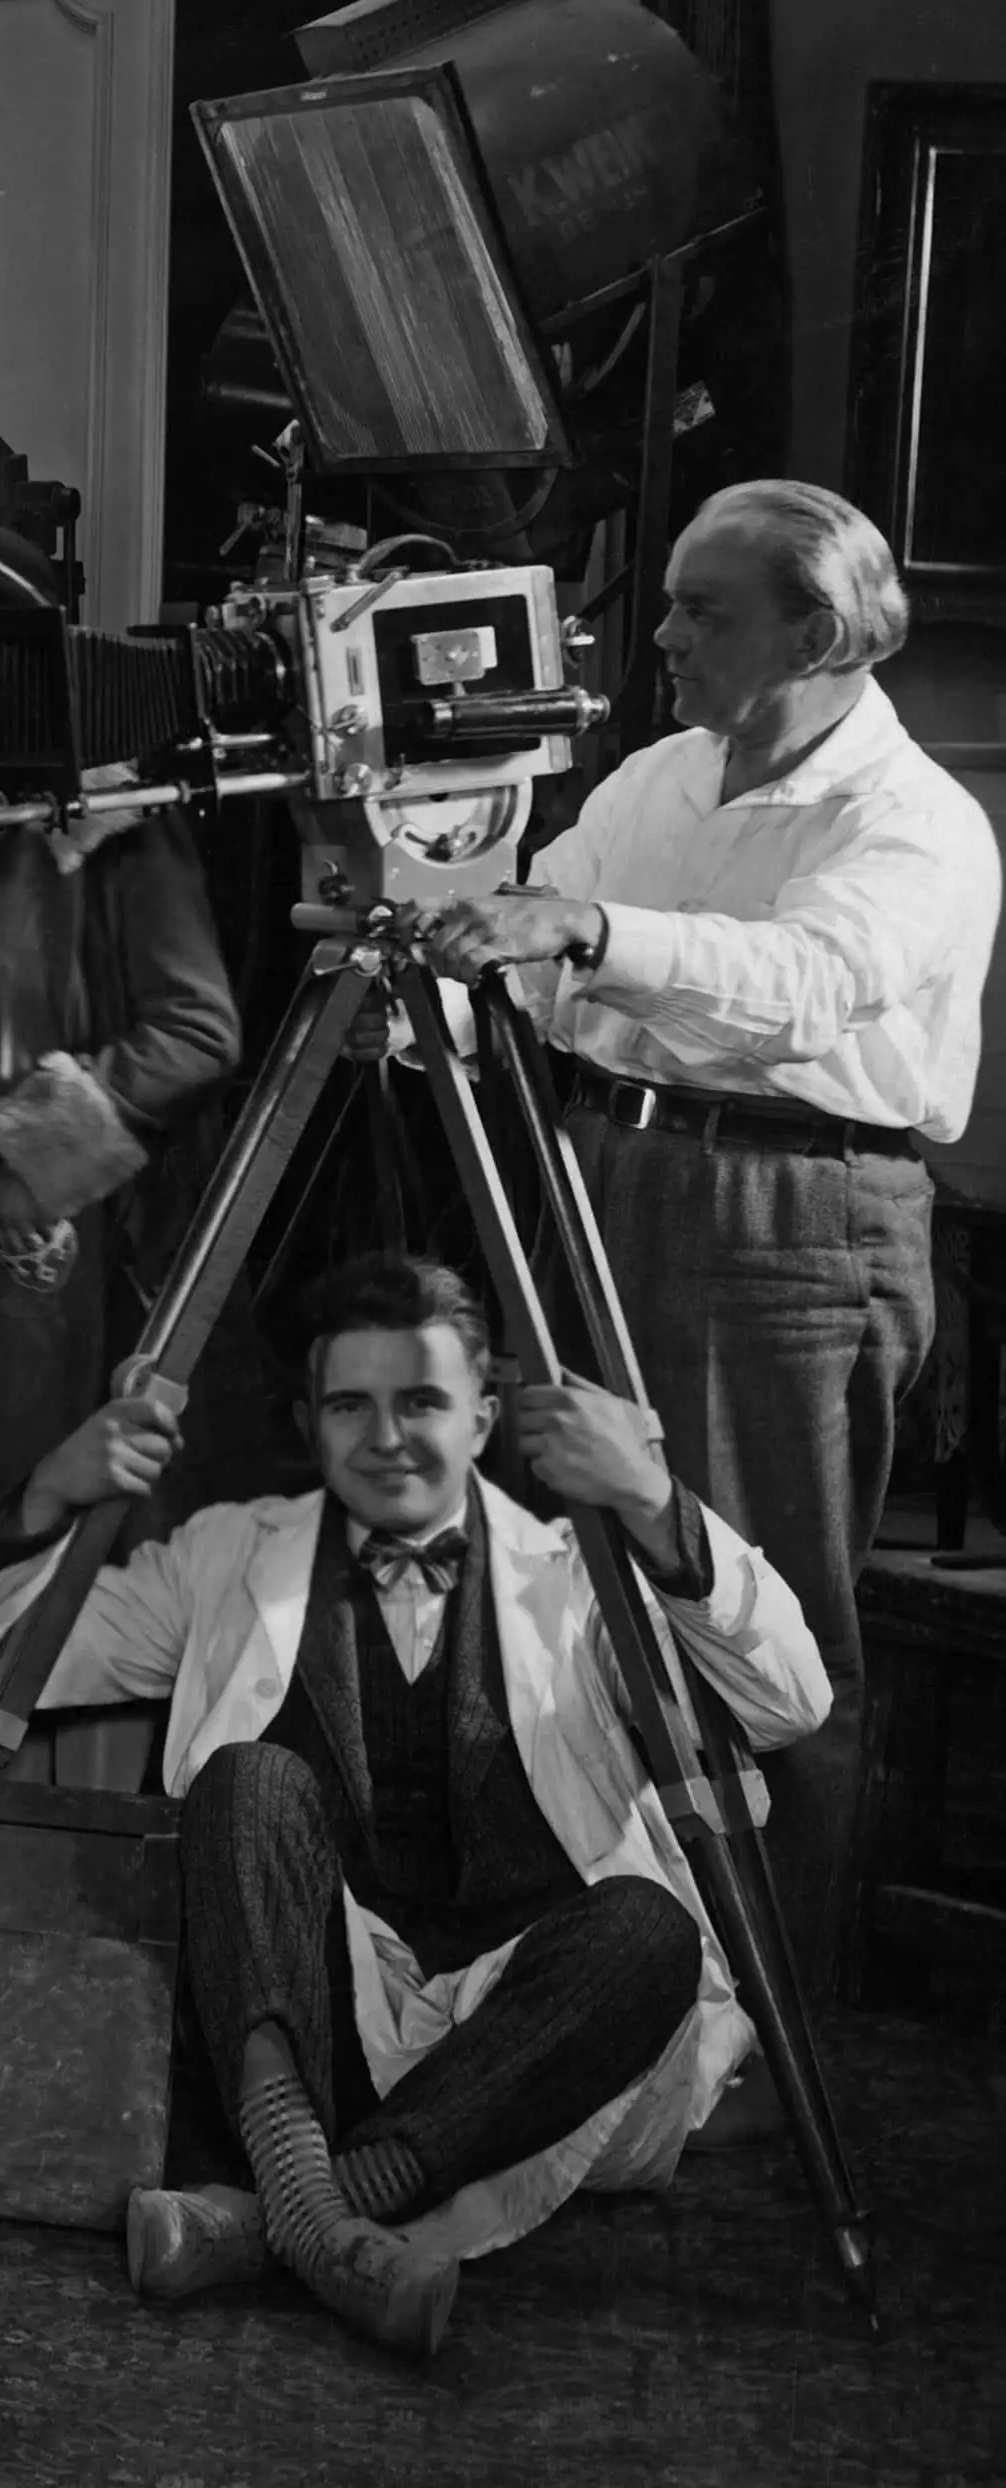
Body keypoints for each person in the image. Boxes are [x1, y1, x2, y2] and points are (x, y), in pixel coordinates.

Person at [0, 1253, 831, 2358]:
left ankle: (283, 2219)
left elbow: (789, 1700)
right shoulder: (227, 1554)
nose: (386, 1437)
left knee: (647, 1932)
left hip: (514, 2054)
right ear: (310, 1420)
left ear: (488, 1415)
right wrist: (50, 1494)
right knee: (244, 1783)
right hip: (306, 2039)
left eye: (422, 1403)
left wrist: (647, 1494)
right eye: (351, 1405)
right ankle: (328, 2210)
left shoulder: (575, 1566)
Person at [422, 480, 999, 1999]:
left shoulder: (918, 824)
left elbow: (809, 981)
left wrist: (585, 937)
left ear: (815, 632)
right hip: (607, 1166)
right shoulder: (662, 778)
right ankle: (574, 1977)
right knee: (560, 1564)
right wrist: (446, 981)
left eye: (703, 608)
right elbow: (545, 968)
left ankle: (764, 2015)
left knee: (760, 1606)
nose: (661, 632)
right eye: (669, 598)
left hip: (796, 1218)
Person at [0, 523, 241, 1767]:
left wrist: (44, 1156)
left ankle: (30, 1851)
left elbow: (197, 1030)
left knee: (25, 1562)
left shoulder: (112, 816)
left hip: (39, 1269)